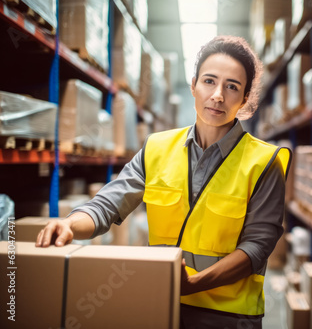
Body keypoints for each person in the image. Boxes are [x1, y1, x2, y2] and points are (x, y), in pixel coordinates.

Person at [36, 35, 291, 328]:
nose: (218, 95)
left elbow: (257, 247)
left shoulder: (265, 162)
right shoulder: (157, 148)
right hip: (160, 300)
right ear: (194, 85)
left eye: (232, 87)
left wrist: (192, 283)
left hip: (228, 317)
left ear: (245, 98)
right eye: (209, 81)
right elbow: (107, 204)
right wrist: (69, 224)